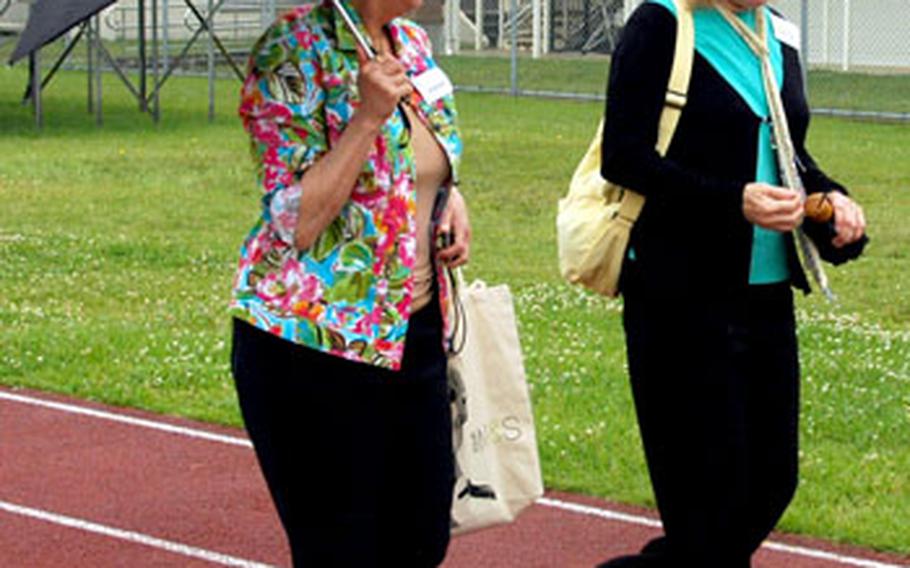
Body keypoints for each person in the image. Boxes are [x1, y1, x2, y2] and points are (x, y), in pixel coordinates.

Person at [597, 0, 866, 566]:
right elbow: (623, 157)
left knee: (770, 480)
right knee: (704, 498)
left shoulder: (778, 33)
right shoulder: (662, 24)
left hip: (764, 294)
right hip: (678, 295)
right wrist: (732, 201)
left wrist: (831, 199)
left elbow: (787, 154)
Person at [228, 0, 470, 565]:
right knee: (341, 551)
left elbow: (419, 158)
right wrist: (365, 118)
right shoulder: (291, 50)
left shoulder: (409, 42)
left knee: (421, 537)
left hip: (412, 330)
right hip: (313, 345)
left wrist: (448, 196)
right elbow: (298, 221)